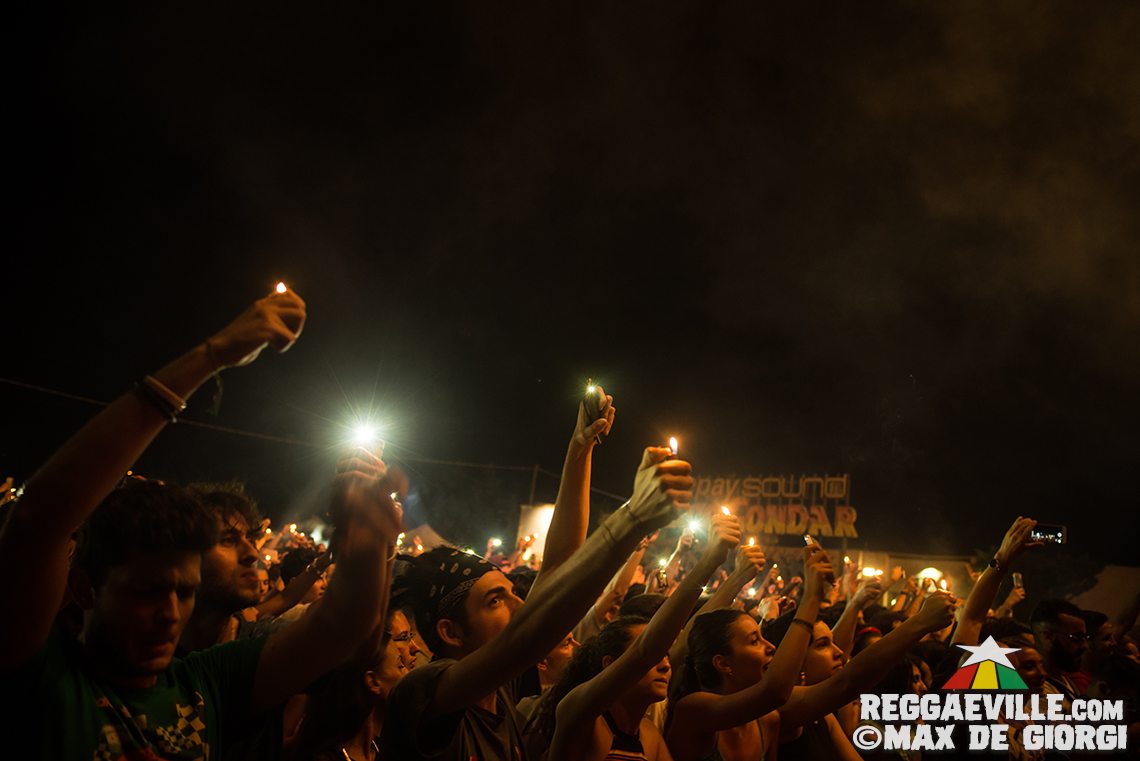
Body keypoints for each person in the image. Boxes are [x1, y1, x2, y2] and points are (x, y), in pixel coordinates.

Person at [0, 288, 403, 759]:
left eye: (185, 591)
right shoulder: (40, 676)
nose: (171, 613)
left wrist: (371, 537)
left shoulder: (204, 682)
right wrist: (211, 356)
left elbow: (343, 625)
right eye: (148, 591)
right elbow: (37, 519)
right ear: (86, 588)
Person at [379, 385, 694, 761]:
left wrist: (580, 448)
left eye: (512, 591)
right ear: (451, 632)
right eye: (495, 599)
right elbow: (528, 634)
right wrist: (633, 517)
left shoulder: (504, 691)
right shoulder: (426, 690)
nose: (519, 603)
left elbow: (560, 565)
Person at [536, 508, 742, 761]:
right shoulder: (581, 717)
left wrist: (739, 575)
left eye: (665, 655)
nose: (665, 665)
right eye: (655, 655)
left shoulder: (648, 735)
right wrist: (710, 560)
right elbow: (643, 644)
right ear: (612, 666)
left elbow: (688, 627)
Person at [664, 544, 833, 761]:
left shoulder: (768, 720)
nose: (771, 646)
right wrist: (811, 599)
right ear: (722, 663)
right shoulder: (693, 710)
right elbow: (775, 692)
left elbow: (844, 685)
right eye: (755, 641)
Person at [1029, 598, 1088, 705]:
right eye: (1076, 637)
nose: (1084, 646)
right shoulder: (1037, 691)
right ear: (1047, 636)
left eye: (1085, 637)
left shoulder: (1064, 679)